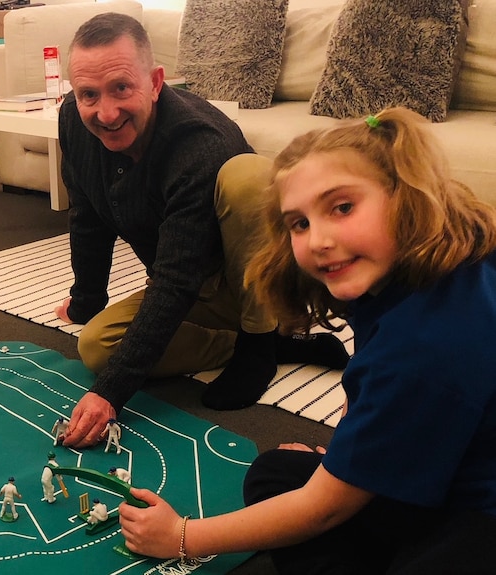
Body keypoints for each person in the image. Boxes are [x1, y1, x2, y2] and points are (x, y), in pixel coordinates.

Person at [118, 107, 496, 573]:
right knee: (278, 471)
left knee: (312, 503)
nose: (317, 240)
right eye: (299, 223)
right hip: (450, 462)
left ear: (404, 196)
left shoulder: (423, 343)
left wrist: (181, 536)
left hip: (476, 517)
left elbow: (326, 507)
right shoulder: (436, 270)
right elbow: (379, 385)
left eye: (342, 207)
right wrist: (352, 450)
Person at [55, 13, 348, 448]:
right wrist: (87, 302)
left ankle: (262, 340)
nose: (106, 112)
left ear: (155, 82)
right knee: (97, 347)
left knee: (248, 176)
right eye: (89, 95)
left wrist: (109, 395)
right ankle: (280, 347)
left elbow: (175, 279)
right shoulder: (74, 123)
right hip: (196, 287)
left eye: (121, 88)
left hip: (260, 286)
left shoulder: (198, 142)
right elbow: (88, 215)